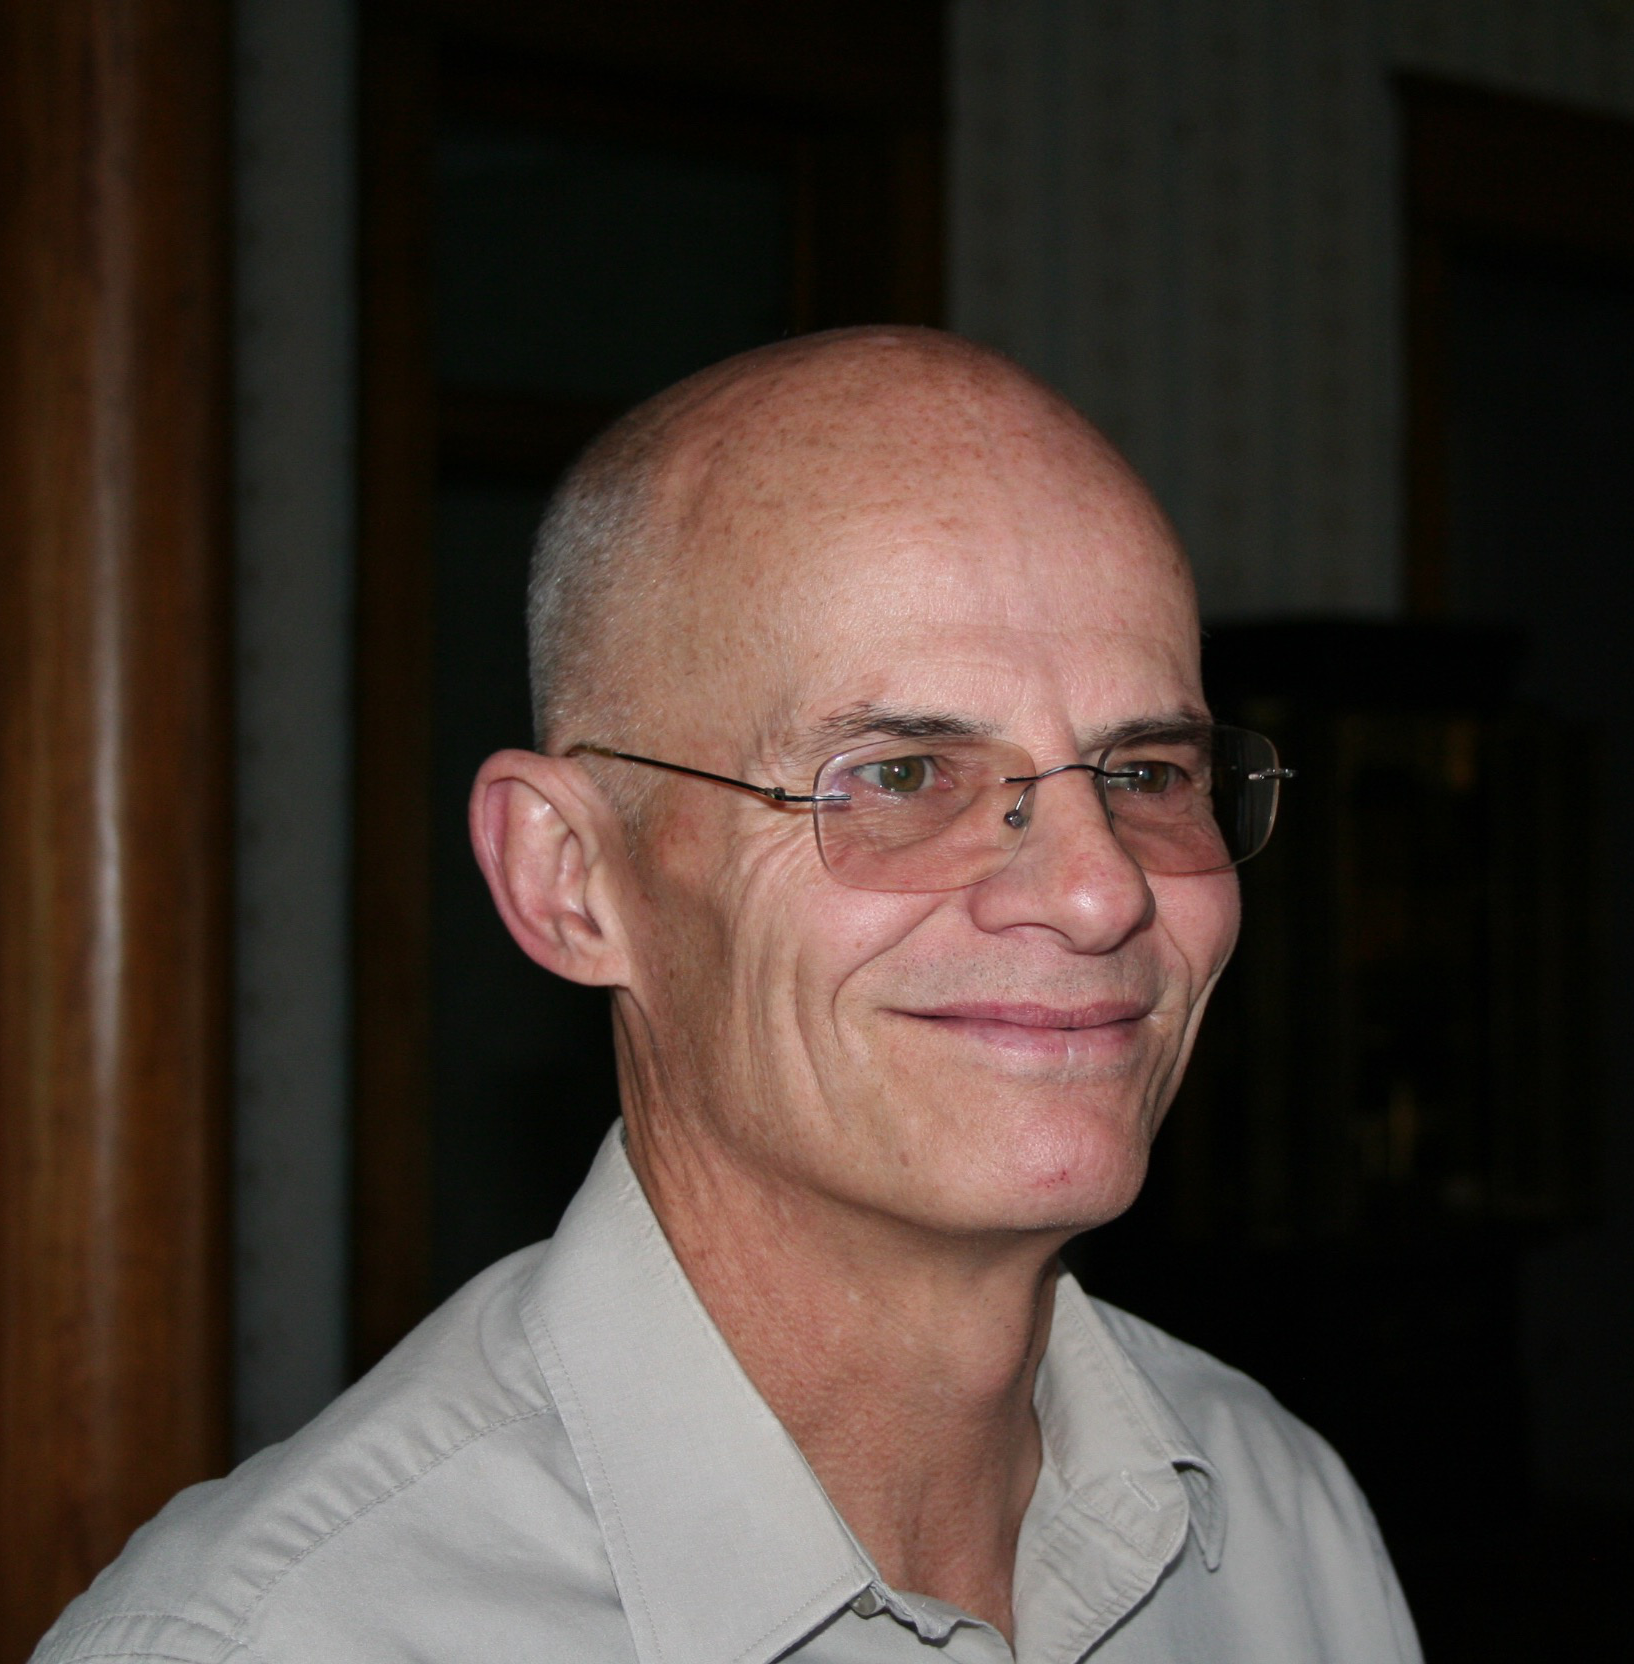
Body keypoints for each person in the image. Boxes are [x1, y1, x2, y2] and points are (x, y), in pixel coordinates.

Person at [35, 329, 1421, 1663]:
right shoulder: (276, 1642)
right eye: (900, 776)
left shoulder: (1277, 1530)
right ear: (572, 878)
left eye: (1148, 774)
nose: (1099, 891)